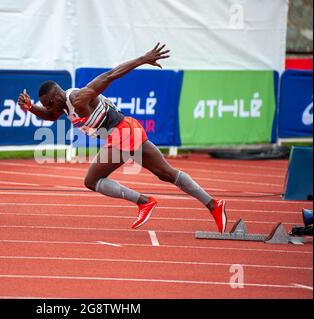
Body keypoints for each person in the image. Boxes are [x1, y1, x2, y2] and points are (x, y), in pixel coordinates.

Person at [17, 43, 227, 232]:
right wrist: (31, 108)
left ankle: (144, 202)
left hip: (121, 132)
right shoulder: (61, 107)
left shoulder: (79, 98)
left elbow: (111, 75)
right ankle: (213, 205)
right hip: (128, 130)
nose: (47, 109)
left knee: (91, 180)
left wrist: (143, 59)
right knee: (166, 173)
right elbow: (51, 116)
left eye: (47, 104)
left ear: (56, 97)